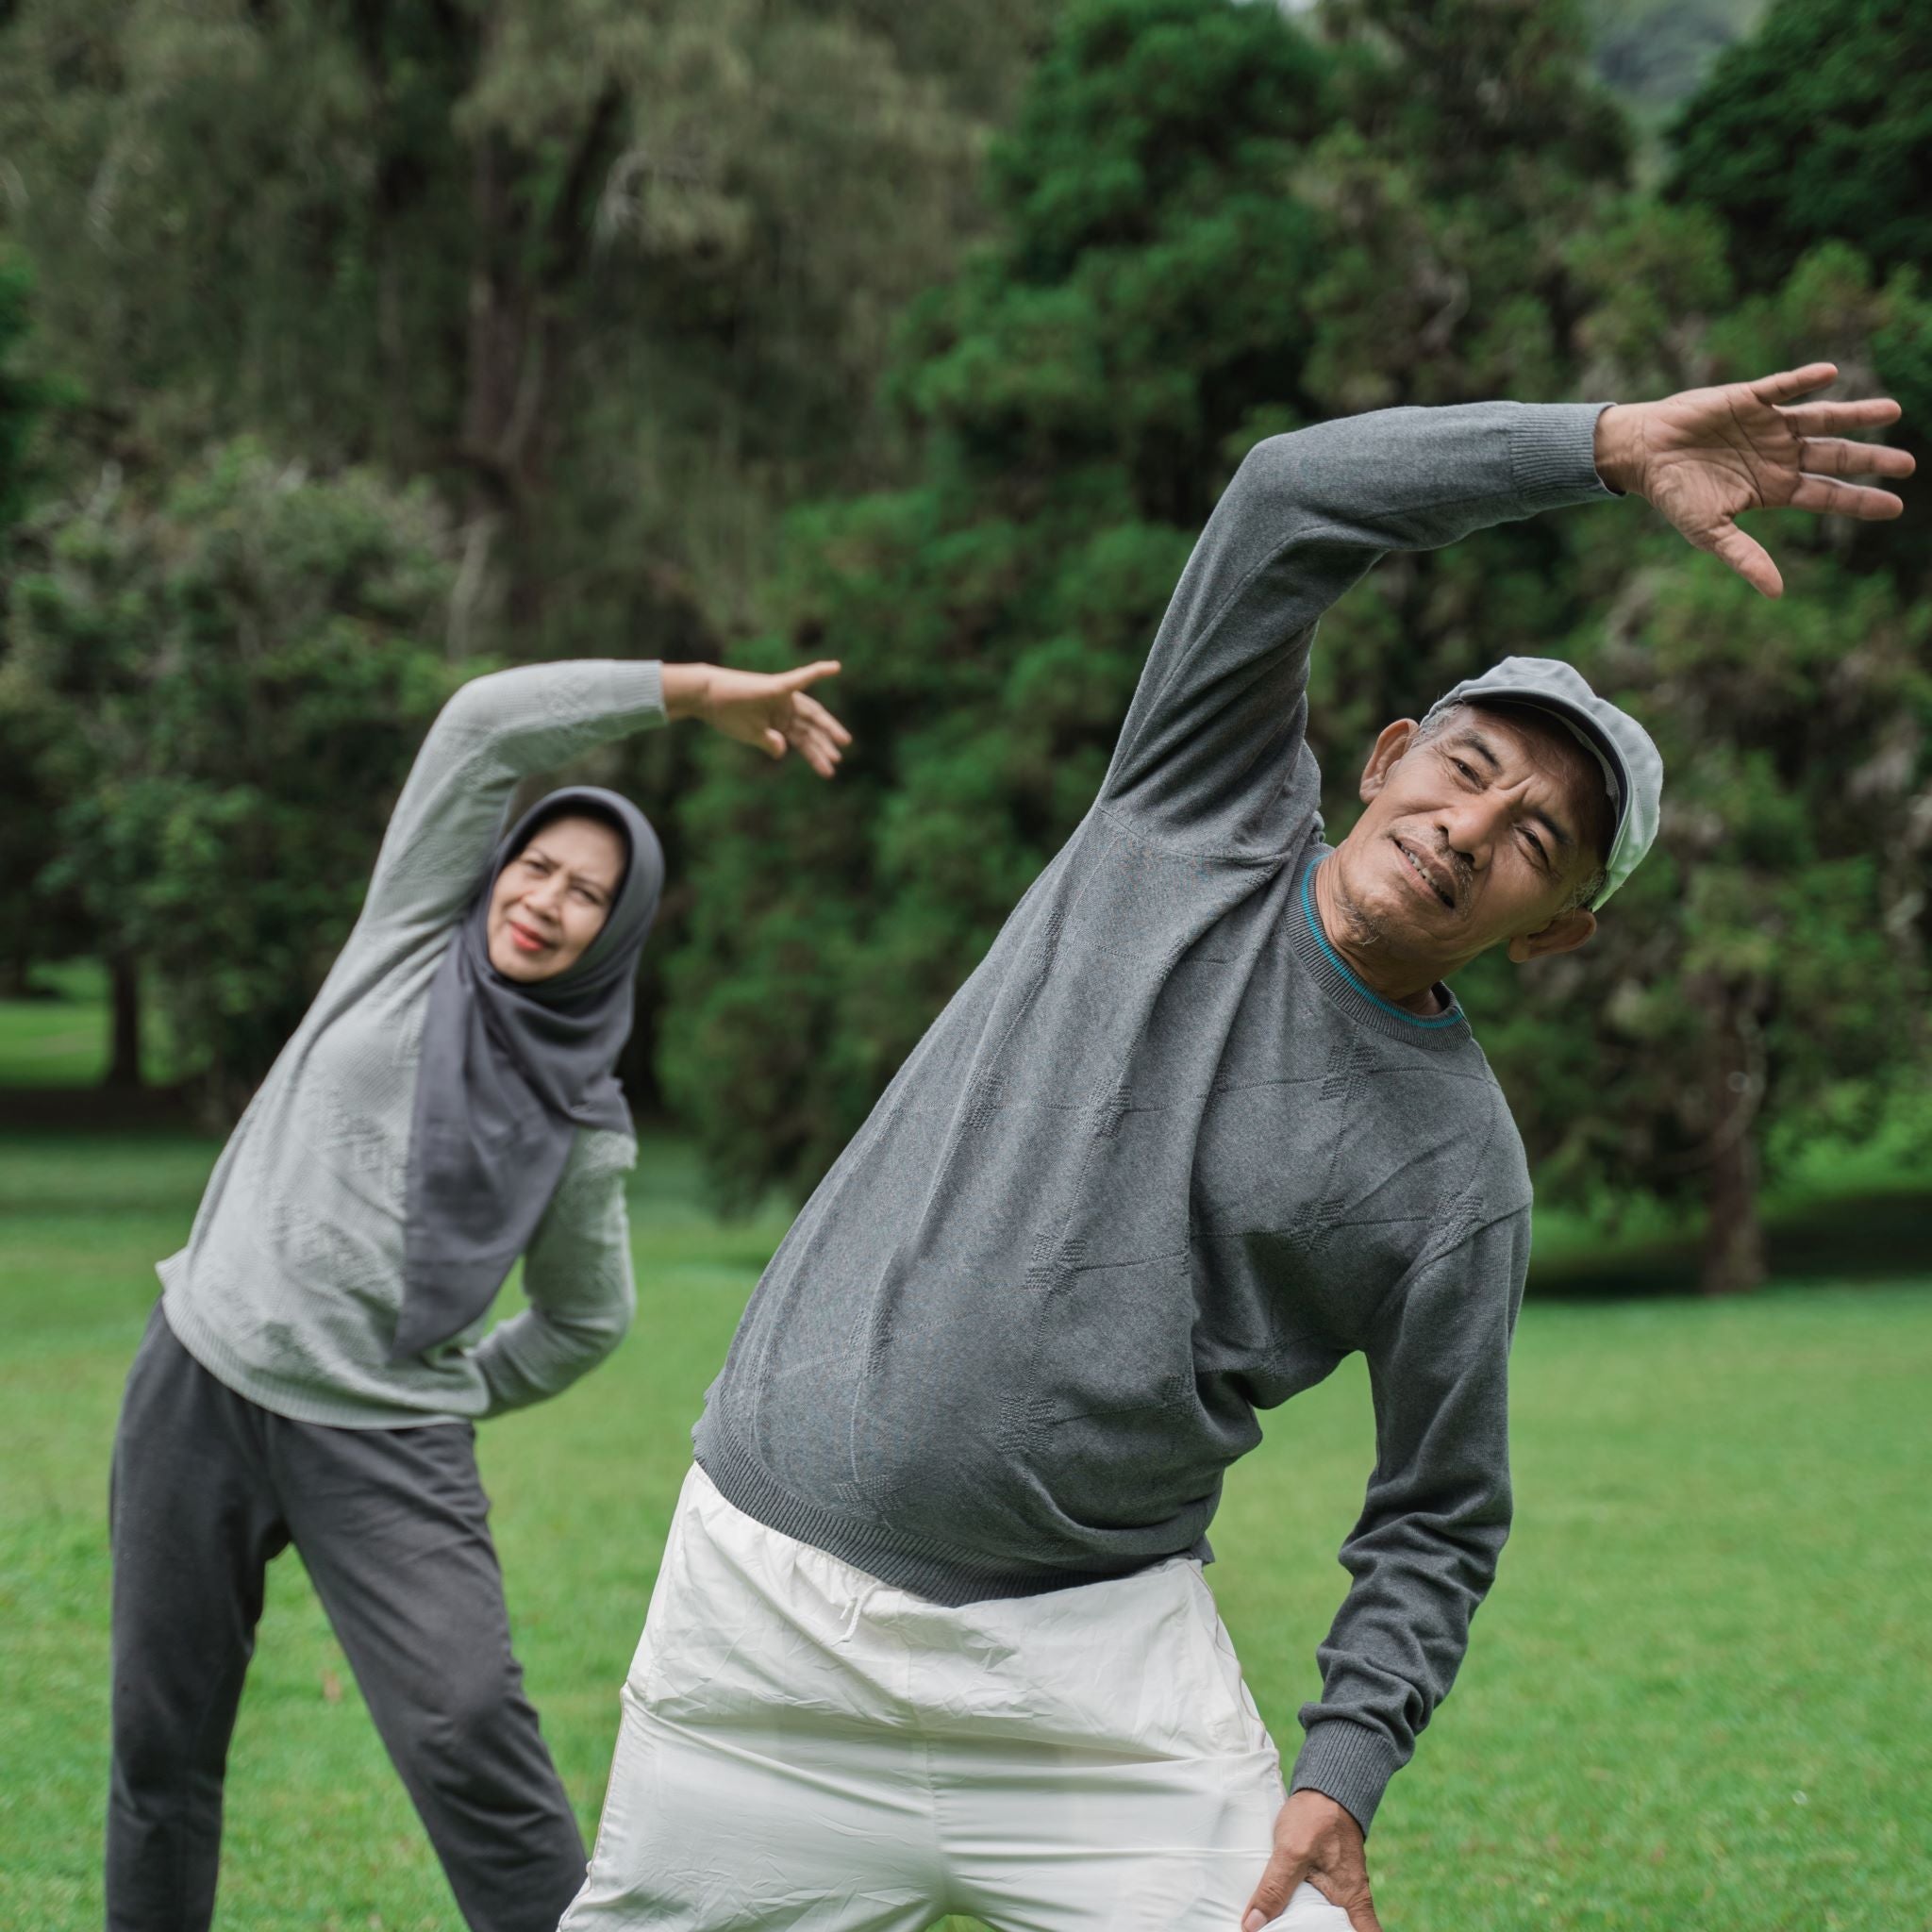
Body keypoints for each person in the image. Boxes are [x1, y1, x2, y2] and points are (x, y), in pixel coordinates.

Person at [559, 365, 1909, 1932]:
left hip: (1087, 1680)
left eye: (1538, 838)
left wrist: (1345, 1762)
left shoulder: (1457, 1178)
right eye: (1470, 769)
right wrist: (1601, 449)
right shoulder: (1189, 808)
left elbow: (1440, 1510)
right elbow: (1289, 498)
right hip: (762, 1626)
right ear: (1388, 753)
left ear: (1554, 935)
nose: (1474, 828)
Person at [105, 655, 851, 1932]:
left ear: (616, 932)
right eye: (539, 868)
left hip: (386, 1442)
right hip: (202, 1382)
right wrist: (692, 691)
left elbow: (585, 1318)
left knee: (469, 1735)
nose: (546, 901)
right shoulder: (404, 938)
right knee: (160, 1747)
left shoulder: (583, 1117)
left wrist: (444, 1385)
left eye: (588, 896)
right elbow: (482, 724)